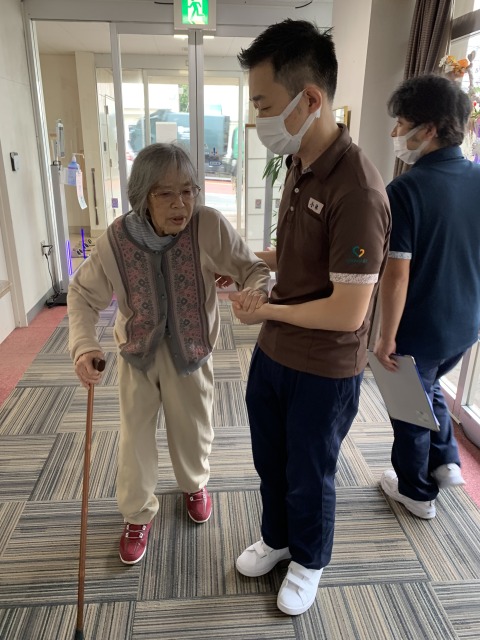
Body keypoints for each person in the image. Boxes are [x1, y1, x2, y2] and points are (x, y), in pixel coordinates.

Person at [229, 20, 391, 616]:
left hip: (323, 367)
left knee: (310, 471)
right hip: (275, 352)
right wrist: (245, 263)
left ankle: (309, 560)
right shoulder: (298, 163)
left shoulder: (358, 189)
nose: (258, 119)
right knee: (270, 461)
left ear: (310, 99)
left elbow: (349, 310)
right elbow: (298, 255)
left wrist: (264, 309)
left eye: (263, 104)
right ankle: (277, 538)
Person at [68, 143, 270, 565]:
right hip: (137, 355)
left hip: (191, 351)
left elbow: (253, 268)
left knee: (193, 431)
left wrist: (255, 290)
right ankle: (137, 514)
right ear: (142, 196)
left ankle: (194, 484)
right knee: (134, 439)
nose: (181, 204)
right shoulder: (115, 240)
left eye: (188, 190)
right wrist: (85, 346)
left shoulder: (208, 225)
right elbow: (82, 294)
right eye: (166, 193)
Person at [374, 74, 480, 520]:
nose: (396, 133)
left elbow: (396, 275)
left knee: (408, 410)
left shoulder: (405, 190)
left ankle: (416, 493)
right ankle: (447, 460)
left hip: (421, 326)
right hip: (466, 323)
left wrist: (386, 337)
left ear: (430, 129)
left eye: (402, 123)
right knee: (430, 383)